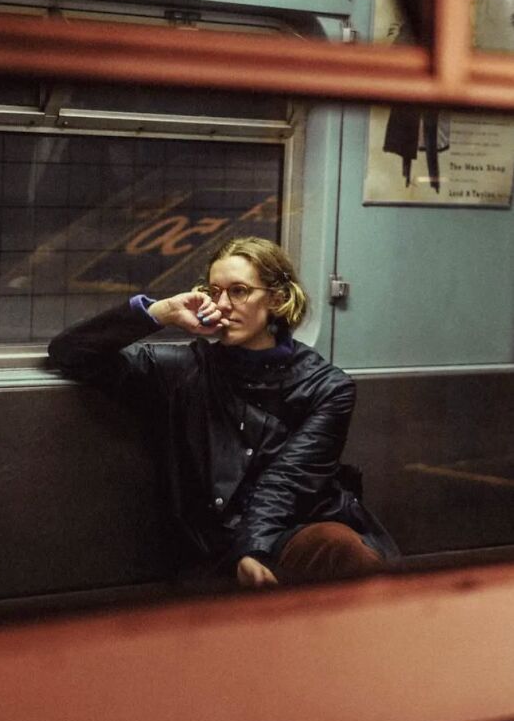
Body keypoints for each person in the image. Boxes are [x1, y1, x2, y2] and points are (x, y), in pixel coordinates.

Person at [49, 236, 398, 589]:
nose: (222, 304)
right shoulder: (186, 369)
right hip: (212, 544)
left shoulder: (326, 386)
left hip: (291, 528)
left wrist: (253, 550)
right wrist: (160, 313)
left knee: (337, 546)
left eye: (239, 291)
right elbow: (70, 352)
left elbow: (287, 482)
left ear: (277, 299)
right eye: (214, 292)